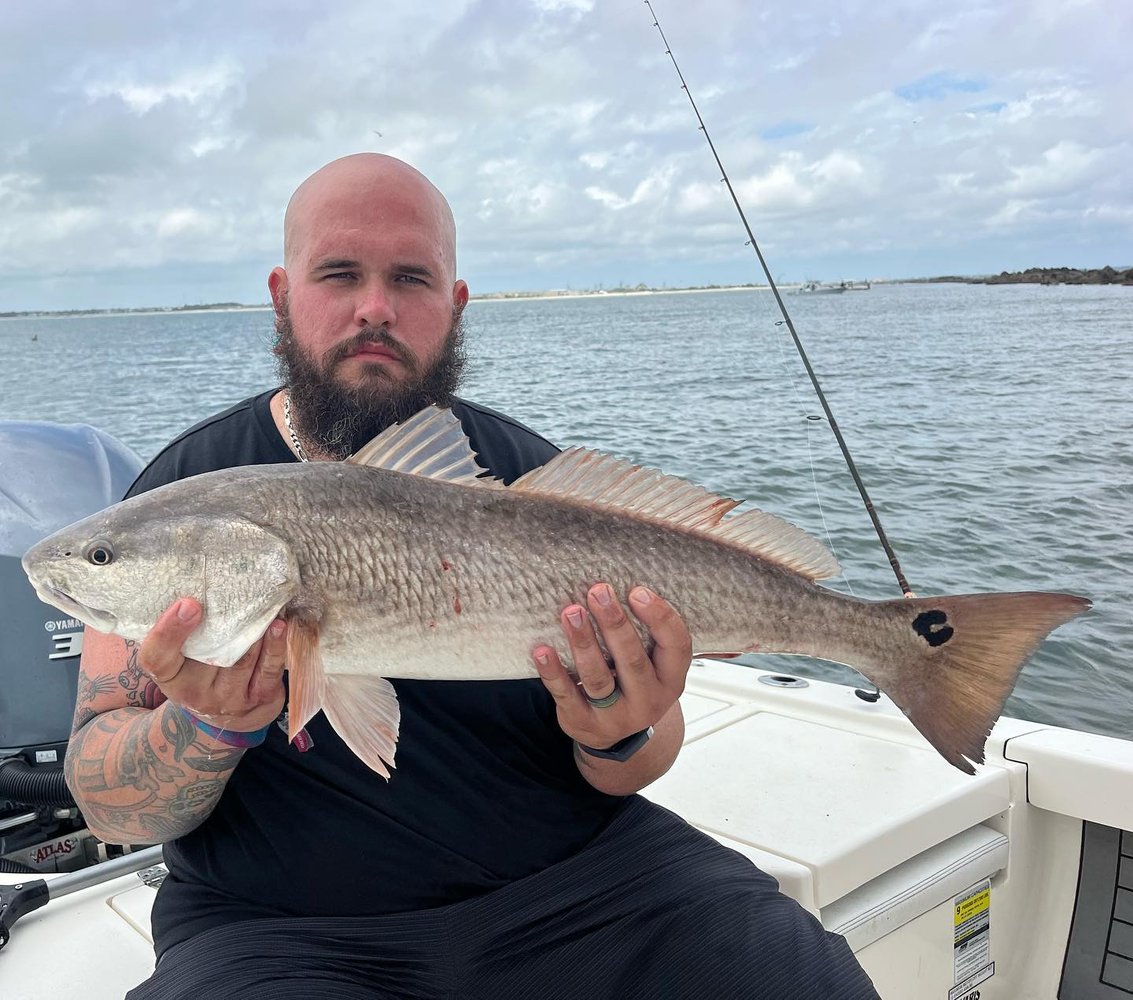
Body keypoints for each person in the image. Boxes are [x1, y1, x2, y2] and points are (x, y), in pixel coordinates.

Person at [67, 153, 878, 1000]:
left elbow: (652, 747)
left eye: (410, 279)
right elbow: (107, 803)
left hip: (584, 883)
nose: (374, 307)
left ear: (454, 305)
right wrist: (209, 726)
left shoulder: (530, 476)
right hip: (281, 929)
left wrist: (618, 730)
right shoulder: (182, 498)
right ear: (282, 293)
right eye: (339, 273)